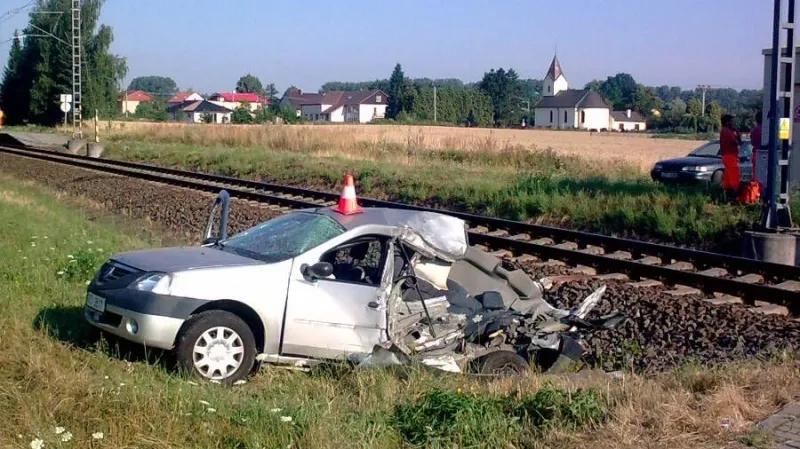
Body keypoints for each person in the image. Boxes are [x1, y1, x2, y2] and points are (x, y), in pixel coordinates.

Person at [720, 114, 742, 201]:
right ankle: (734, 195)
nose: (733, 123)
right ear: (727, 122)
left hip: (728, 156)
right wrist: (737, 133)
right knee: (734, 176)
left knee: (728, 177)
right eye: (731, 121)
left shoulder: (726, 131)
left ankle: (726, 195)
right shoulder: (727, 131)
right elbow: (736, 142)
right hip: (730, 156)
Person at [750, 112, 763, 185]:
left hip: (755, 154)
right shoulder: (765, 130)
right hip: (763, 154)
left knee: (756, 175)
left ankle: (755, 191)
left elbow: (752, 142)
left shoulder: (754, 130)